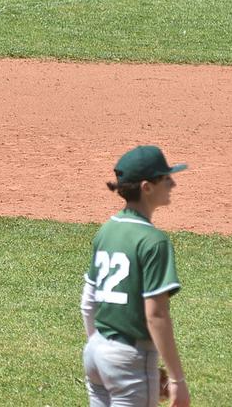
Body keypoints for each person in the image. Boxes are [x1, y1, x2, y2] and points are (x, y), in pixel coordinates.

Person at [81, 145, 191, 407]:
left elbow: (88, 303)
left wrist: (101, 347)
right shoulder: (153, 242)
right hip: (129, 356)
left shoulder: (106, 231)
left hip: (95, 353)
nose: (173, 183)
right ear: (146, 187)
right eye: (165, 178)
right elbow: (156, 315)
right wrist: (177, 380)